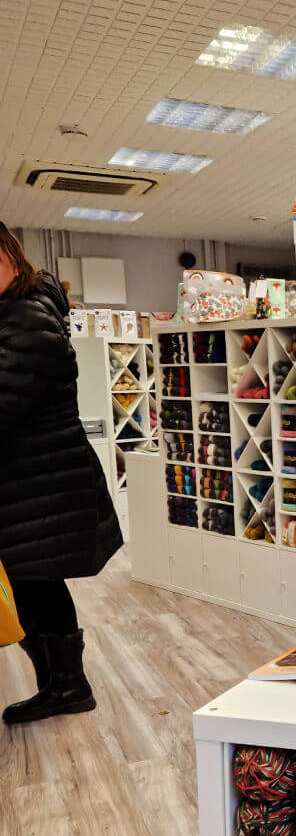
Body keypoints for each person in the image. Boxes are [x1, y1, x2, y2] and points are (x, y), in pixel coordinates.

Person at [0, 224, 122, 723]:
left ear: (12, 255)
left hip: (41, 484)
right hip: (36, 483)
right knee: (36, 584)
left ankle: (66, 687)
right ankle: (60, 683)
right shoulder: (19, 314)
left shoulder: (25, 321)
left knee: (36, 583)